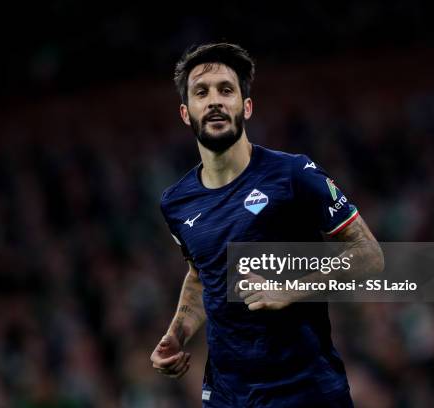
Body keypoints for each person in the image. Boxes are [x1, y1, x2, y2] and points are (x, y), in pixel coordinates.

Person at [150, 43, 384, 407]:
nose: (214, 100)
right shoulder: (176, 202)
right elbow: (202, 274)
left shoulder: (292, 174)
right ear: (186, 112)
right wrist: (177, 333)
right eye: (201, 92)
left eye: (226, 90)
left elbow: (369, 255)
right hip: (228, 394)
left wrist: (289, 289)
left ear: (246, 106)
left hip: (304, 388)